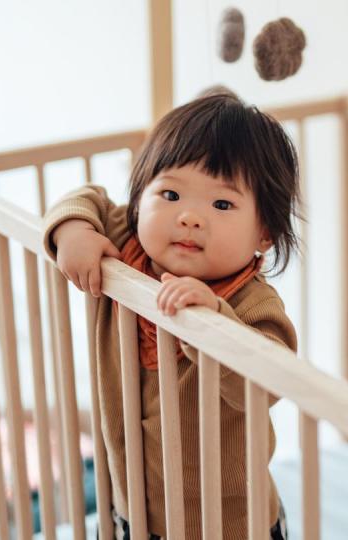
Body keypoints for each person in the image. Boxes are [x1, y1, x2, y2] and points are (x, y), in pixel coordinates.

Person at [42, 88, 300, 540]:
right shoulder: (125, 245)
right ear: (140, 200)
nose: (190, 217)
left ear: (264, 234)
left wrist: (215, 323)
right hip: (134, 506)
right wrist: (73, 230)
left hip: (229, 525)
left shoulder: (253, 306)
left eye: (222, 204)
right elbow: (85, 198)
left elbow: (267, 383)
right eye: (171, 193)